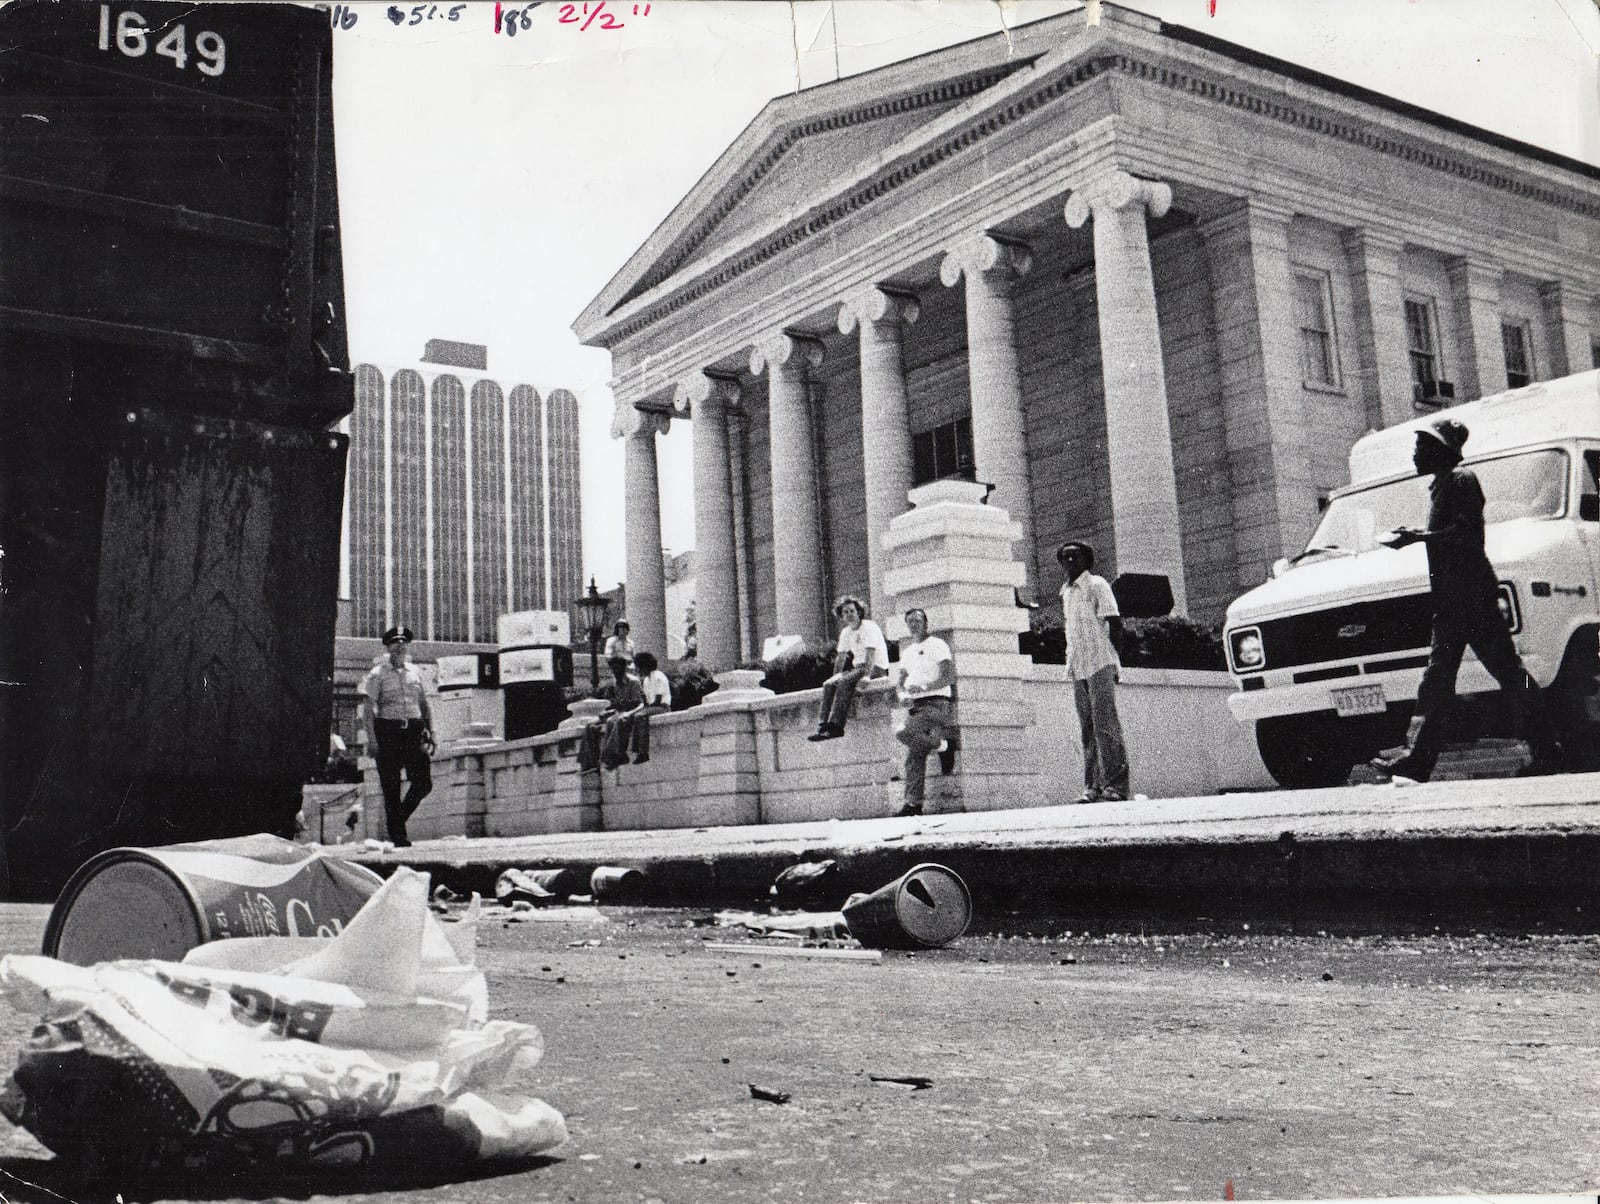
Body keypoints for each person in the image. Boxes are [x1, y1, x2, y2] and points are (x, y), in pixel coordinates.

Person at [1372, 418, 1565, 783]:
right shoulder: (1443, 485)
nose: (1415, 453)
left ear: (1440, 450)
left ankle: (1547, 747)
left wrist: (1418, 538)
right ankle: (1417, 760)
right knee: (1439, 680)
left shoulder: (1462, 480)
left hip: (1473, 601)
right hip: (1453, 604)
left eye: (1421, 446)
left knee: (1509, 676)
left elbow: (1467, 535)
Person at [1058, 541, 1130, 803]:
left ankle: (1117, 787)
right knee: (1087, 728)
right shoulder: (1065, 592)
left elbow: (1115, 624)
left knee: (1106, 726)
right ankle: (1092, 787)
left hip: (1100, 662)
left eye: (1074, 557)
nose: (1069, 562)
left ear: (1086, 560)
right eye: (1064, 558)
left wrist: (1114, 661)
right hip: (1078, 666)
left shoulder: (1098, 585)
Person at [362, 626, 434, 847]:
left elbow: (424, 704)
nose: (400, 646)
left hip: (413, 731)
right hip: (389, 733)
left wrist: (432, 732)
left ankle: (397, 820)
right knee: (391, 787)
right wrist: (372, 740)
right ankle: (399, 836)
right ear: (388, 647)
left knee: (423, 783)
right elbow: (368, 710)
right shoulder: (377, 674)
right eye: (395, 642)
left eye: (403, 642)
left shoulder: (415, 672)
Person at [892, 607, 955, 817]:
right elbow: (900, 683)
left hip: (937, 704)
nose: (913, 624)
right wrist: (902, 696)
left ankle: (943, 746)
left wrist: (925, 688)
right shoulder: (908, 652)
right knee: (914, 757)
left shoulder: (937, 645)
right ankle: (913, 805)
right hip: (915, 708)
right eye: (909, 621)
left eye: (917, 620)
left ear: (926, 623)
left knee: (902, 733)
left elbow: (949, 677)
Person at [808, 595, 889, 741]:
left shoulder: (869, 627)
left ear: (859, 612)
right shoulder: (846, 632)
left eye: (852, 611)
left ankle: (837, 727)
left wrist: (866, 676)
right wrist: (835, 676)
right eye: (845, 612)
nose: (849, 615)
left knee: (844, 682)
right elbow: (841, 657)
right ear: (841, 616)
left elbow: (870, 653)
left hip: (875, 667)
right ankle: (822, 725)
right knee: (828, 684)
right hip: (857, 668)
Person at [599, 655, 645, 770]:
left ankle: (610, 755)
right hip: (623, 711)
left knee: (620, 720)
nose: (615, 671)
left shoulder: (634, 682)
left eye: (617, 668)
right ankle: (619, 755)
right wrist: (608, 711)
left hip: (635, 710)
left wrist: (622, 707)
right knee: (610, 721)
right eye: (613, 669)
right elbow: (616, 705)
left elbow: (637, 702)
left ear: (624, 668)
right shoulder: (615, 684)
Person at [627, 650, 672, 764]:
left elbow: (657, 701)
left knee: (640, 716)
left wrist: (644, 709)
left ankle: (643, 752)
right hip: (653, 707)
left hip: (662, 707)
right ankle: (635, 750)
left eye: (638, 667)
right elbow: (647, 702)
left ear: (644, 666)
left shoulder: (658, 676)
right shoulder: (646, 680)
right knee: (633, 716)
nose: (637, 670)